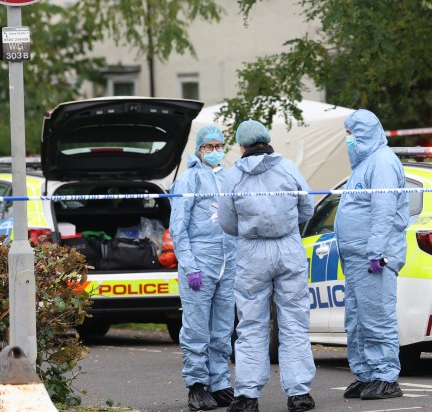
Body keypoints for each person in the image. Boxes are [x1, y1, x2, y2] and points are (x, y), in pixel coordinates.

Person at [218, 120, 316, 412]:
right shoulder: (287, 167)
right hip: (289, 248)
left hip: (251, 252)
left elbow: (226, 222)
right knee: (294, 322)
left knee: (250, 323)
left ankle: (247, 395)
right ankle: (299, 393)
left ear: (242, 145)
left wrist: (251, 230)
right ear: (267, 140)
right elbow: (307, 206)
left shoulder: (233, 176)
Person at [335, 109, 409, 400]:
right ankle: (366, 374)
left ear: (365, 132)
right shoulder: (365, 164)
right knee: (356, 320)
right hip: (358, 259)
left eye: (351, 133)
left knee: (377, 316)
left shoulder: (382, 162)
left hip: (373, 257)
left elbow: (383, 210)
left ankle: (386, 376)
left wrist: (376, 250)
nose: (349, 140)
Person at [169, 125, 237, 411]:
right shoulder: (188, 180)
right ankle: (196, 385)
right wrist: (189, 264)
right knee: (197, 328)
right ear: (199, 149)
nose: (214, 151)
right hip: (199, 264)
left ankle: (220, 383)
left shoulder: (231, 177)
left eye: (218, 145)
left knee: (222, 329)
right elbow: (178, 228)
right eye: (208, 146)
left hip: (228, 264)